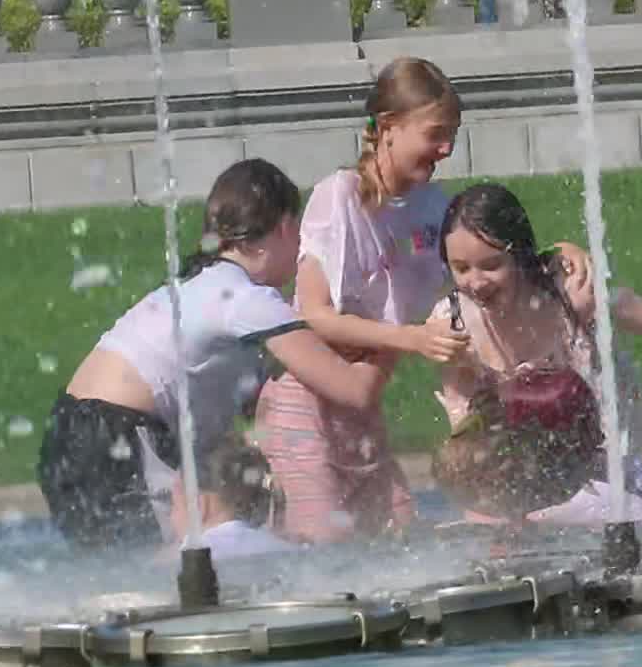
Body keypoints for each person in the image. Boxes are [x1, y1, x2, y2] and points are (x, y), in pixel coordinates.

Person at [255, 56, 592, 544]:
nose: (446, 148)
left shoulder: (433, 207)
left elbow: (491, 256)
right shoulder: (339, 198)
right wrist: (411, 338)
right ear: (388, 127)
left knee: (395, 533)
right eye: (435, 134)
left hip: (362, 402)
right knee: (321, 542)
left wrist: (562, 252)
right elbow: (313, 315)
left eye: (452, 135)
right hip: (304, 399)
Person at [38, 158, 389, 551]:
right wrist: (396, 326)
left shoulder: (200, 285)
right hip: (119, 436)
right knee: (164, 570)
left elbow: (251, 402)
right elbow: (353, 390)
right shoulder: (247, 299)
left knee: (119, 574)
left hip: (70, 433)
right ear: (286, 227)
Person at [428, 182, 642, 525]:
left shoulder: (571, 295)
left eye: (491, 265)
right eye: (461, 268)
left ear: (520, 254)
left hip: (603, 469)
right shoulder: (453, 324)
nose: (476, 282)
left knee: (627, 519)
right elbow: (465, 431)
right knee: (485, 524)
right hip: (521, 479)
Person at [164, 437, 296, 561]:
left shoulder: (184, 561)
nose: (171, 517)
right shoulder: (288, 552)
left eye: (174, 505)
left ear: (198, 505)